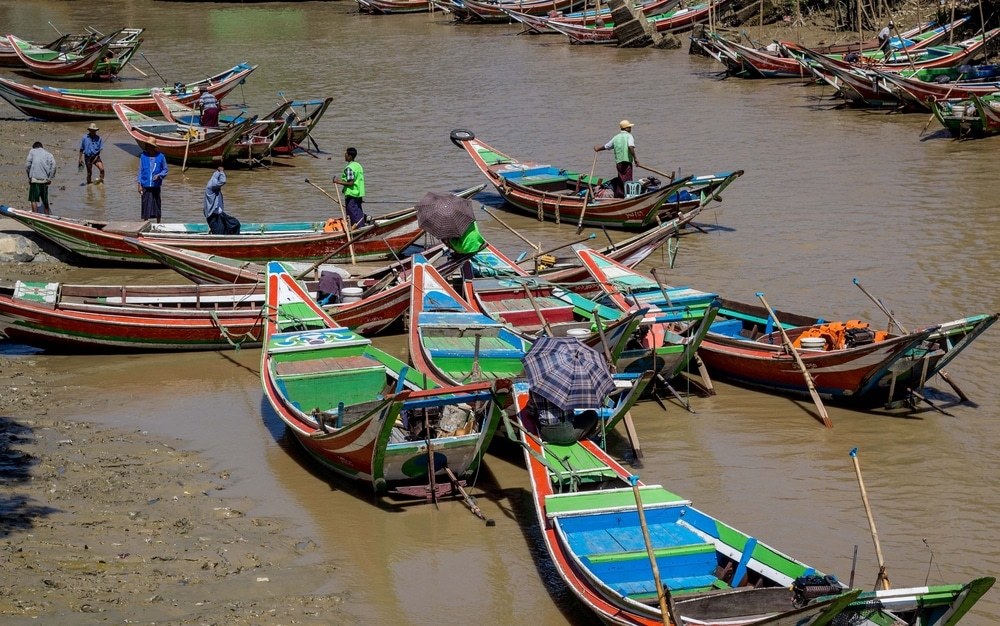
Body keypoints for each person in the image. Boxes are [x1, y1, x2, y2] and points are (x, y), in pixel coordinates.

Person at [594, 120, 640, 199]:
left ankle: (620, 195)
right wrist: (635, 159)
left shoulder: (616, 138)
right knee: (627, 180)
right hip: (627, 162)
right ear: (626, 128)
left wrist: (598, 148)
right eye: (629, 127)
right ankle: (626, 197)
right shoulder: (629, 136)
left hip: (619, 163)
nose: (630, 128)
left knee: (621, 179)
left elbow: (607, 146)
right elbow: (630, 147)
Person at [331, 147, 365, 228]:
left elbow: (351, 182)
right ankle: (361, 226)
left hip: (351, 194)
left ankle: (356, 229)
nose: (344, 156)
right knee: (358, 212)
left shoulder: (349, 168)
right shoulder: (358, 165)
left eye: (346, 154)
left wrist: (337, 181)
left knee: (352, 214)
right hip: (358, 194)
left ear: (350, 156)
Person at [137, 138, 168, 224]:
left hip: (156, 185)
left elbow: (165, 170)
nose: (148, 148)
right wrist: (139, 184)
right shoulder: (143, 156)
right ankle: (145, 223)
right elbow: (140, 171)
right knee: (146, 205)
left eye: (150, 146)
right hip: (145, 184)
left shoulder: (161, 157)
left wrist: (159, 175)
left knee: (157, 205)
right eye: (147, 146)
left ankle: (159, 223)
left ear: (153, 147)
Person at [203, 166, 241, 235]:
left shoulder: (216, 188)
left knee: (235, 224)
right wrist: (221, 171)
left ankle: (234, 242)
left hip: (221, 215)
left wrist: (219, 172)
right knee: (219, 234)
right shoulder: (211, 186)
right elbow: (223, 181)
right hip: (213, 217)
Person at [25, 141, 56, 215]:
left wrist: (29, 176)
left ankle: (35, 216)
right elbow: (54, 166)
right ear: (42, 147)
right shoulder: (48, 154)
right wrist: (50, 178)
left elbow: (27, 165)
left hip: (35, 180)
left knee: (33, 200)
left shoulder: (32, 151)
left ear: (34, 147)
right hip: (44, 180)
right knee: (45, 201)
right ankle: (47, 217)